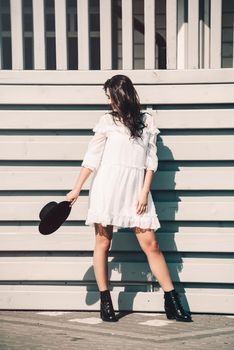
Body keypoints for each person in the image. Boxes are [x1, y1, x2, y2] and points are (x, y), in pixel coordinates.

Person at [66, 74, 192, 323]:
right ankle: (106, 301)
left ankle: (171, 300)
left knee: (151, 245)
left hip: (136, 191)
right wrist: (76, 189)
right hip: (107, 189)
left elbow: (150, 162)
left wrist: (144, 192)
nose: (109, 102)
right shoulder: (106, 121)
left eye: (111, 97)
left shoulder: (147, 121)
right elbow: (91, 159)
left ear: (122, 95)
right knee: (103, 243)